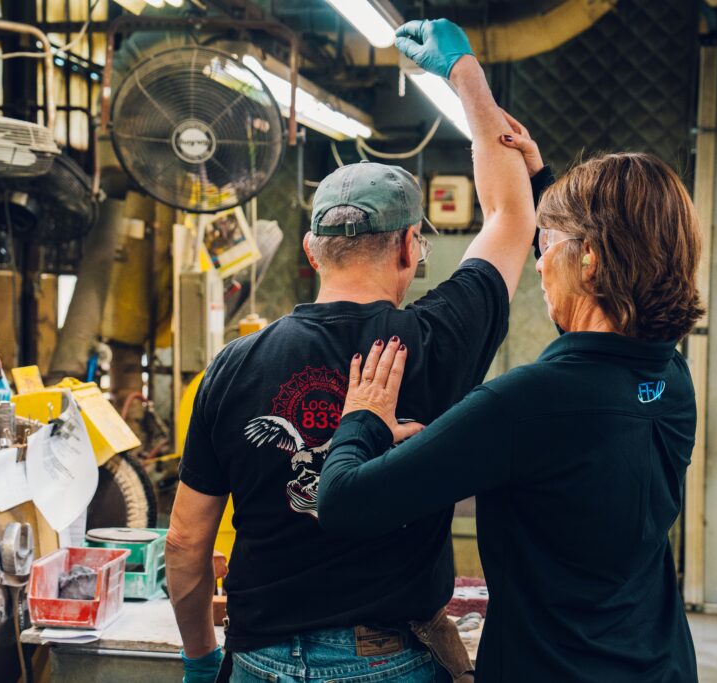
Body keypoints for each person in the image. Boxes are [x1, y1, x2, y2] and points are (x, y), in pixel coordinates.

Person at [166, 18, 542, 683]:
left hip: (257, 657)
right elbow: (511, 214)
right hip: (388, 659)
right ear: (408, 248)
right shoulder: (436, 339)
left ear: (311, 252)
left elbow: (188, 540)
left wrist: (200, 658)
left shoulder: (232, 365)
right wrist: (465, 75)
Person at [318, 152, 705, 682]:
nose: (540, 263)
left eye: (548, 246)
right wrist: (543, 187)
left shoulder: (525, 405)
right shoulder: (671, 381)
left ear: (589, 258)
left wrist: (361, 419)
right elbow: (570, 455)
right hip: (661, 665)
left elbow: (343, 502)